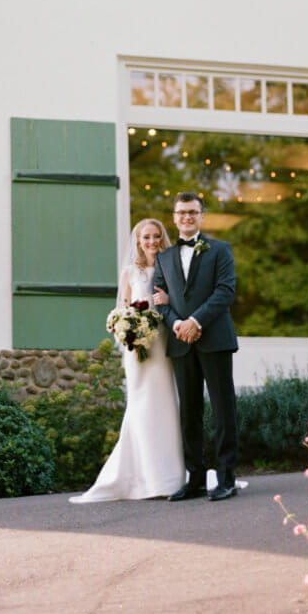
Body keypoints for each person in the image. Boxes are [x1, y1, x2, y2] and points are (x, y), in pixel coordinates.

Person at [69, 219, 185, 502]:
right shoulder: (130, 272)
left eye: (157, 236)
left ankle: (170, 477)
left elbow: (180, 302)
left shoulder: (171, 268)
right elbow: (122, 309)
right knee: (141, 405)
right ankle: (141, 476)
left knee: (166, 405)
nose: (152, 241)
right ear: (138, 240)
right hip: (138, 349)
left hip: (163, 346)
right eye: (146, 237)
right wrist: (129, 331)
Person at [153, 192, 239, 502]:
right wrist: (177, 324)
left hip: (214, 340)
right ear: (174, 218)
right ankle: (196, 478)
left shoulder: (220, 250)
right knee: (189, 413)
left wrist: (196, 322)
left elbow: (225, 291)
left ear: (201, 217)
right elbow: (158, 300)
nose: (187, 217)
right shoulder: (162, 258)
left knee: (222, 410)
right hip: (180, 344)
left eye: (193, 212)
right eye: (181, 213)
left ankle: (227, 477)